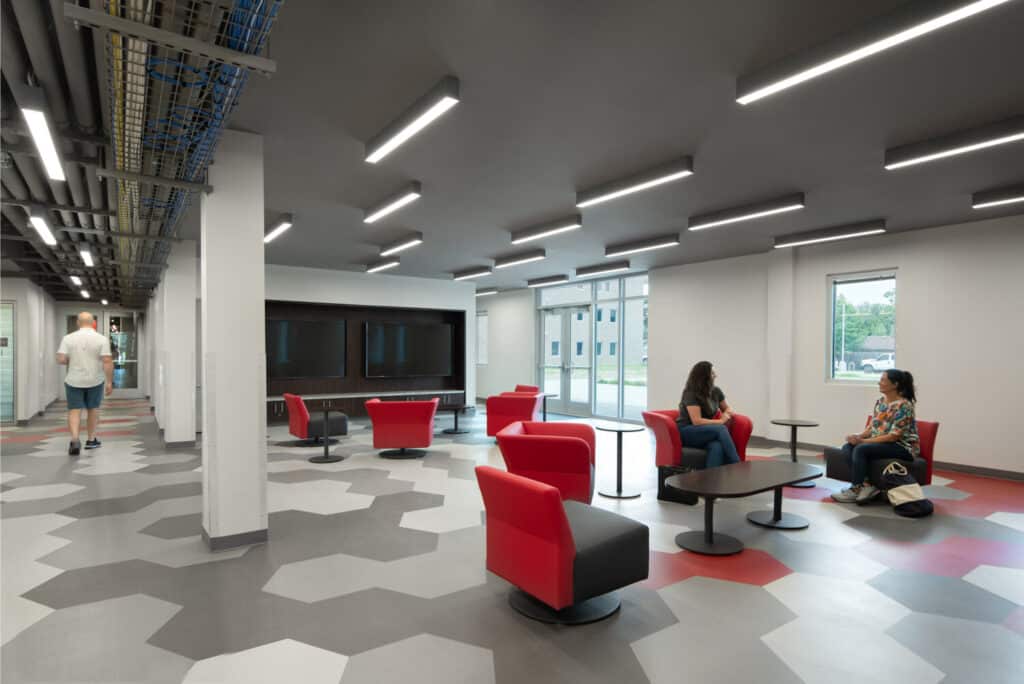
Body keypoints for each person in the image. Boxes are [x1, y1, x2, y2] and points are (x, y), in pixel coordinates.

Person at [831, 368, 919, 504]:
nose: (879, 382)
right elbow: (872, 427)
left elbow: (893, 437)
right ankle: (866, 486)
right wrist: (857, 436)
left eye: (883, 380)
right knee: (848, 447)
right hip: (882, 443)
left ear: (894, 384)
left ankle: (855, 489)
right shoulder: (880, 402)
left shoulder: (904, 406)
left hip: (902, 447)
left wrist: (863, 442)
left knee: (861, 449)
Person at [56, 312, 113, 456]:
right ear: (93, 322)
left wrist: (72, 360)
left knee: (74, 410)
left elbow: (61, 359)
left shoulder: (68, 338)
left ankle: (75, 440)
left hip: (73, 380)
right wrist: (109, 382)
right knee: (93, 409)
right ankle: (91, 440)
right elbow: (107, 361)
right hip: (95, 380)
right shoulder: (101, 339)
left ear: (77, 322)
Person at [676, 361, 740, 468]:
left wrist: (728, 412)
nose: (715, 376)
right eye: (712, 373)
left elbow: (727, 408)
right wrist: (720, 421)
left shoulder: (716, 391)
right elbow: (697, 421)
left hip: (706, 431)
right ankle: (737, 466)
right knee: (721, 428)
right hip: (687, 431)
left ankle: (709, 481)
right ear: (703, 377)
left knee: (717, 446)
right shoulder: (690, 393)